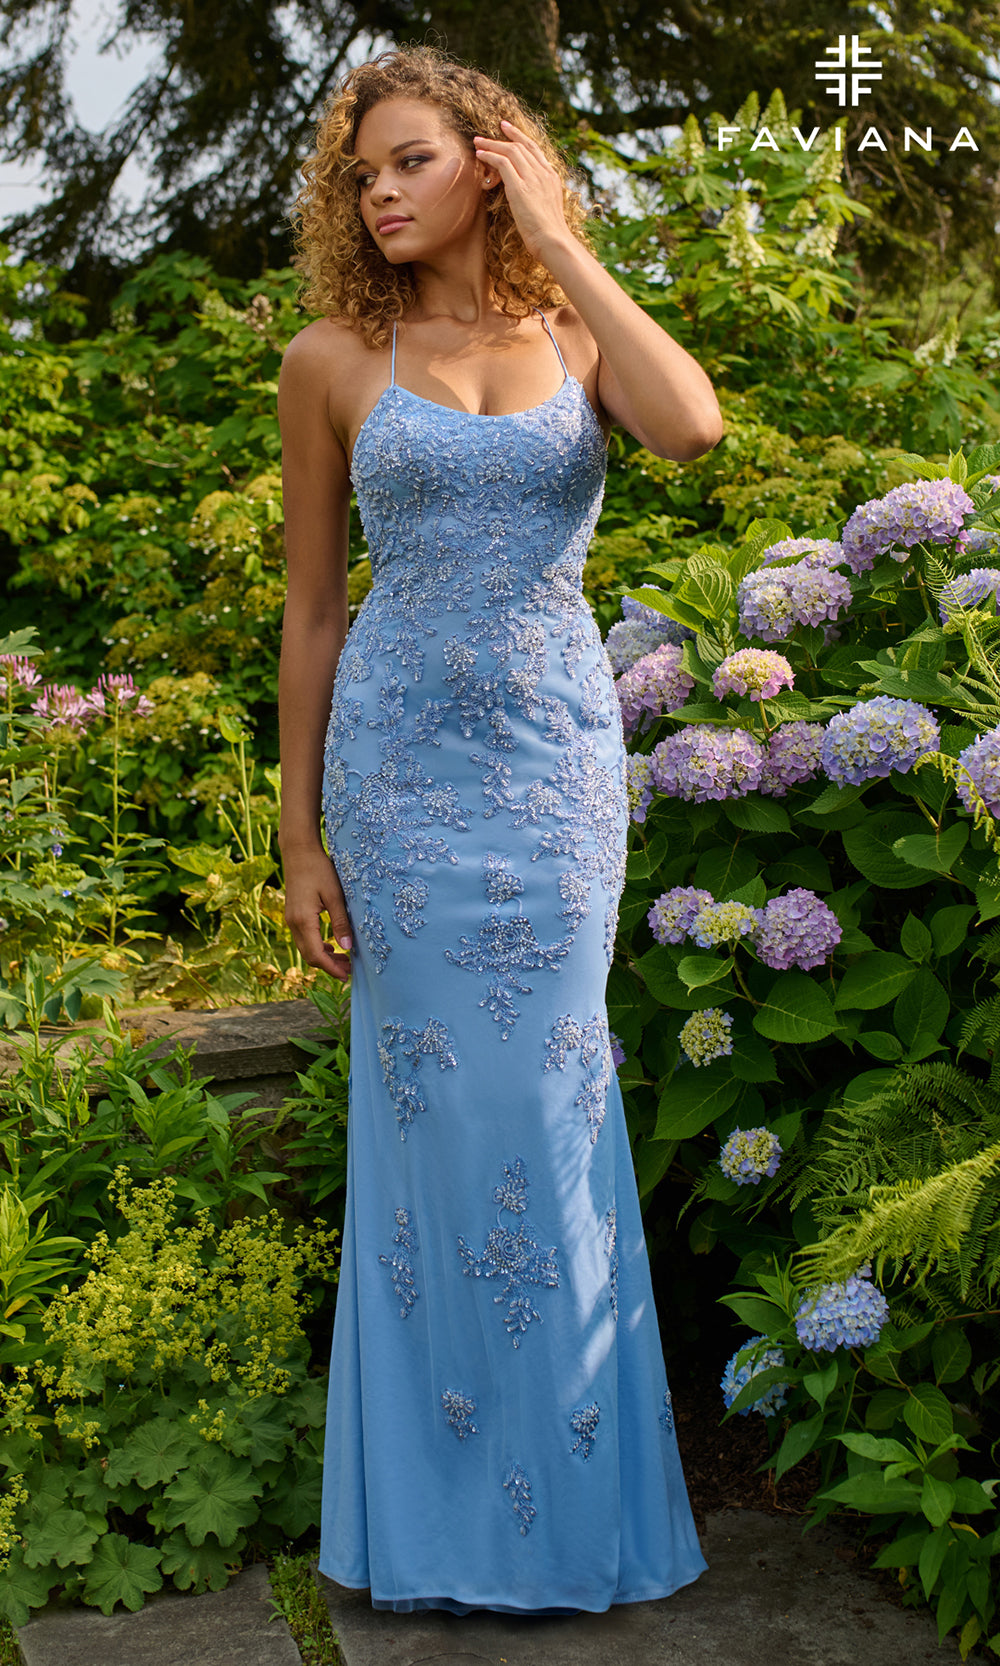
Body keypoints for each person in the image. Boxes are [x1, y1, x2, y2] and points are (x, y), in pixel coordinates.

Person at [277, 44, 722, 1616]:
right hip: (397, 786)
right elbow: (317, 612)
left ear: (486, 159)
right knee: (431, 1137)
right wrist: (300, 838)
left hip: (550, 785)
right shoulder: (335, 356)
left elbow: (692, 426)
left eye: (408, 161)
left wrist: (568, 242)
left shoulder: (570, 333)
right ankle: (441, 1525)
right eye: (363, 173)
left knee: (545, 1113)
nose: (381, 192)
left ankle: (564, 1514)